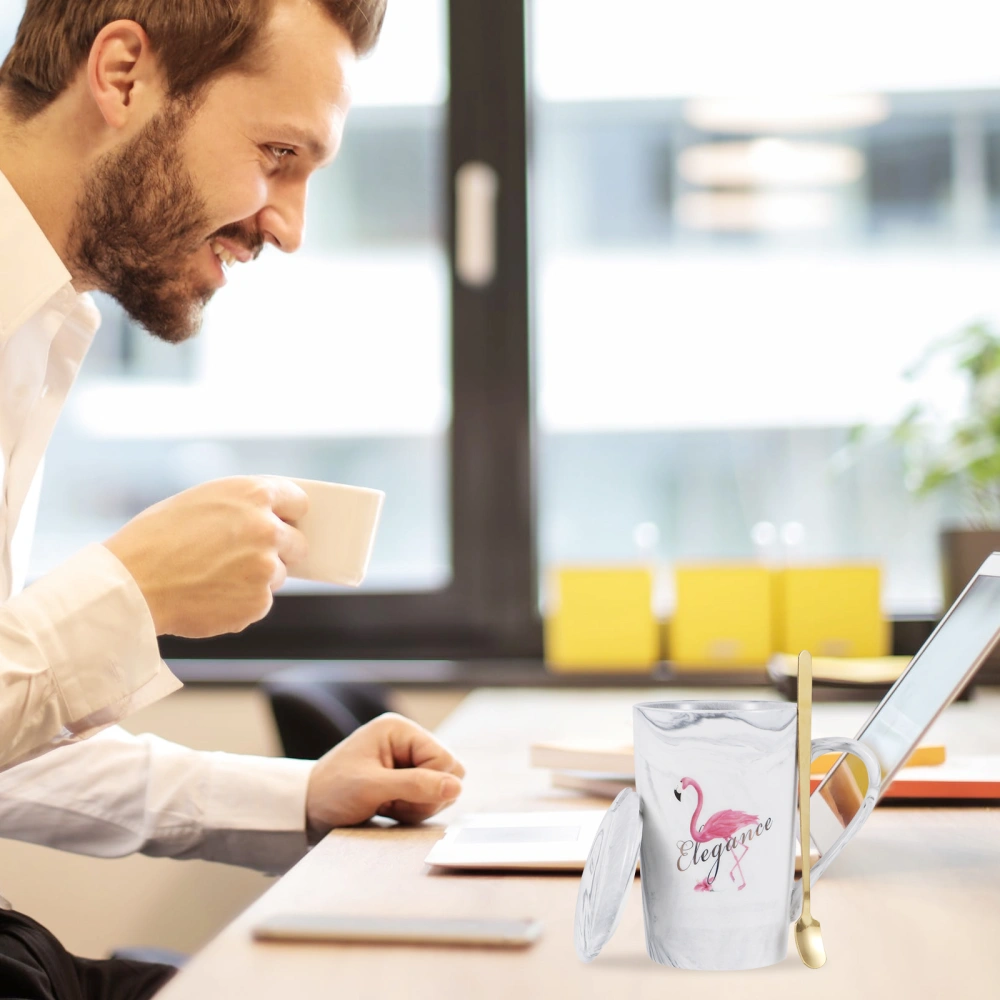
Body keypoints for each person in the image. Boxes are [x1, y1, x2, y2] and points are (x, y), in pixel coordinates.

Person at [0, 1, 466, 998]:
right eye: (276, 153)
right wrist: (127, 593)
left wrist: (301, 796)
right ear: (122, 75)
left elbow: (9, 743)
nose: (288, 226)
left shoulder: (35, 326)